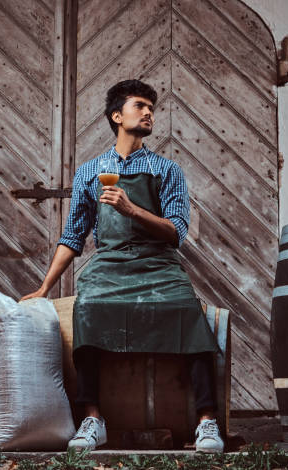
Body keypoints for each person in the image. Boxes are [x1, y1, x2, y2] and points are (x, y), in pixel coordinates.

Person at [21, 79, 224, 453]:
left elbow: (176, 232)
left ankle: (207, 422)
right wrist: (44, 288)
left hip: (159, 265)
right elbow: (72, 237)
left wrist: (131, 209)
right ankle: (92, 419)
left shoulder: (167, 170)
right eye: (140, 106)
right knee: (87, 308)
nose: (149, 113)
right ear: (117, 116)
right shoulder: (89, 172)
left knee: (187, 311)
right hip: (110, 265)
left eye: (152, 108)